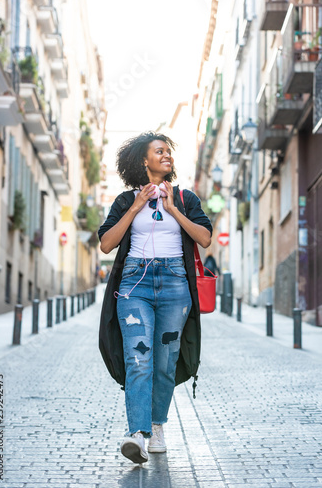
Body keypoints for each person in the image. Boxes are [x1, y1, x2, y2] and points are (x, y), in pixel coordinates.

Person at [97, 131, 212, 464]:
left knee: (164, 363)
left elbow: (204, 237)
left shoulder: (186, 198)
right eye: (159, 152)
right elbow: (106, 244)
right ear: (142, 161)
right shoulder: (125, 201)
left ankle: (157, 427)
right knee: (139, 359)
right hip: (135, 286)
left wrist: (174, 210)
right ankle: (137, 435)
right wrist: (136, 206)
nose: (167, 156)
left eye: (168, 152)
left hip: (176, 285)